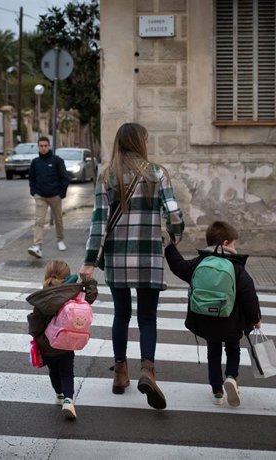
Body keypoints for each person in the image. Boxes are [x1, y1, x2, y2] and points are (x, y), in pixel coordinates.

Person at [79, 122, 184, 410]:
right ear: (140, 143)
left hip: (117, 259)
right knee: (147, 317)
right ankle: (147, 371)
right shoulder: (157, 173)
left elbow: (99, 224)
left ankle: (120, 373)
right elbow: (174, 214)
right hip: (148, 256)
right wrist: (175, 237)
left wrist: (90, 262)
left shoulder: (107, 175)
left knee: (121, 314)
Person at [164, 221, 261, 407]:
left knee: (213, 352)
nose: (235, 247)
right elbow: (249, 296)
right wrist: (256, 319)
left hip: (205, 319)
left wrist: (170, 247)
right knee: (233, 349)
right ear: (225, 243)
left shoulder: (199, 263)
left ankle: (217, 391)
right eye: (234, 243)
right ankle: (231, 377)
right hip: (230, 321)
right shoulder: (236, 267)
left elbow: (178, 266)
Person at [26, 260, 98, 420]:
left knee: (54, 371)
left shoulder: (42, 298)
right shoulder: (72, 292)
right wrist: (88, 280)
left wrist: (37, 336)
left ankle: (59, 394)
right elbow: (90, 297)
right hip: (67, 342)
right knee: (67, 373)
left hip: (47, 344)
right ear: (66, 276)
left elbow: (35, 326)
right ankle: (68, 400)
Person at [28, 137, 70, 259]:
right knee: (39, 221)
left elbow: (65, 178)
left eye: (45, 146)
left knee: (58, 219)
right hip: (40, 196)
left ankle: (60, 240)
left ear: (49, 146)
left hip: (55, 196)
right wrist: (34, 192)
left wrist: (61, 194)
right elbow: (31, 178)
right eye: (41, 146)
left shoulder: (57, 161)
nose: (43, 148)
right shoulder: (35, 162)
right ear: (38, 147)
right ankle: (37, 246)